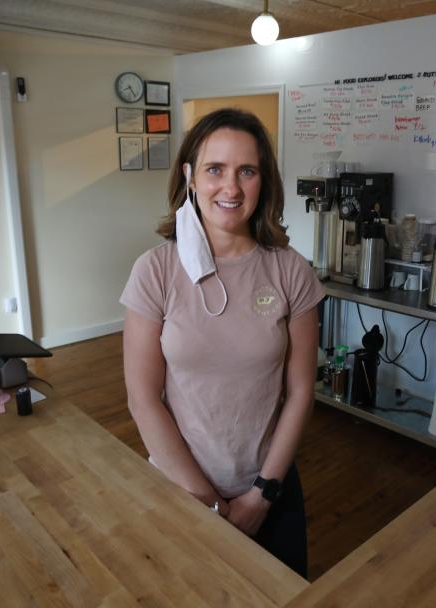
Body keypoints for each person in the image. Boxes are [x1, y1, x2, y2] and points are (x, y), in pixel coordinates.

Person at [120, 108, 324, 577]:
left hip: (269, 488)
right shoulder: (155, 271)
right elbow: (143, 399)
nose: (230, 188)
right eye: (215, 169)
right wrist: (209, 502)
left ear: (263, 180)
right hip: (181, 488)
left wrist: (261, 495)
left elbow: (300, 394)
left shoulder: (291, 271)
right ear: (190, 176)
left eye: (246, 171)